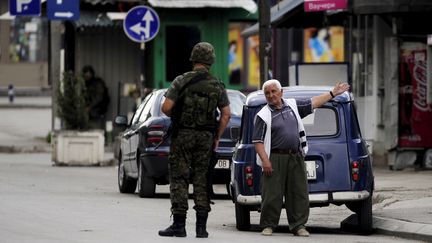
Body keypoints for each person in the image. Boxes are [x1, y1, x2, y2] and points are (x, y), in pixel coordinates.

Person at [252, 79, 350, 237]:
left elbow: (314, 102)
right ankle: (268, 225)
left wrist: (333, 93)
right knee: (272, 194)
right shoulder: (263, 115)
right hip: (275, 158)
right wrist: (265, 161)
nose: (271, 95)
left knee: (298, 192)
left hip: (295, 156)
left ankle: (298, 225)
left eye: (273, 91)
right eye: (267, 93)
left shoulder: (292, 105)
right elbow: (257, 142)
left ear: (281, 92)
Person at [159, 42, 231, 238]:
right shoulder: (217, 84)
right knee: (202, 177)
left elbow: (166, 108)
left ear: (193, 59)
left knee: (179, 177)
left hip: (183, 135)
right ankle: (201, 228)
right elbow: (226, 114)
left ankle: (179, 225)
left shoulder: (180, 81)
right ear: (211, 61)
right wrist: (216, 137)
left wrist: (179, 115)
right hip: (206, 138)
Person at [82, 65, 109, 130]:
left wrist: (89, 107)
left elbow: (99, 97)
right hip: (88, 114)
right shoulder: (85, 84)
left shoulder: (97, 83)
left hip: (97, 113)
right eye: (85, 75)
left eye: (88, 74)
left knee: (96, 131)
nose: (87, 76)